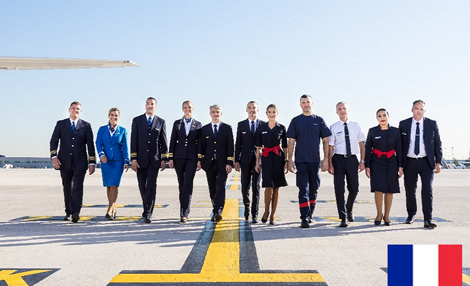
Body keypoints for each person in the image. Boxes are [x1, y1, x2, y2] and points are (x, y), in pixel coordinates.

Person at [286, 94, 331, 228]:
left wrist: (326, 160)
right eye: (303, 102)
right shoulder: (296, 121)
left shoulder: (319, 120)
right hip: (301, 161)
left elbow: (326, 140)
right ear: (300, 105)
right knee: (303, 188)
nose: (306, 104)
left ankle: (310, 212)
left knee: (314, 189)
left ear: (312, 103)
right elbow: (291, 141)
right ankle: (304, 217)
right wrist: (289, 159)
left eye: (308, 102)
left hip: (315, 161)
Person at [50, 101, 96, 223]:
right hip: (64, 161)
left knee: (77, 186)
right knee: (67, 186)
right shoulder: (61, 124)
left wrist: (92, 162)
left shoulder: (86, 126)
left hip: (80, 161)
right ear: (69, 110)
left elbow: (90, 145)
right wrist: (54, 157)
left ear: (80, 112)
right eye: (73, 108)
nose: (75, 110)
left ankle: (76, 211)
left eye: (78, 109)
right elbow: (53, 141)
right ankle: (68, 212)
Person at [399, 100, 442, 229]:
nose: (419, 111)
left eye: (421, 109)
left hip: (426, 162)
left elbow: (437, 143)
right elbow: (400, 146)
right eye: (416, 108)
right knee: (410, 190)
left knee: (427, 190)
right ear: (412, 109)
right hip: (410, 161)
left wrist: (438, 162)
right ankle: (411, 214)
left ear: (424, 111)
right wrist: (400, 165)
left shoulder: (432, 124)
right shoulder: (404, 124)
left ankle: (427, 218)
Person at [130, 97, 168, 223]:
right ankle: (146, 207)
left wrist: (164, 158)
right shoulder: (137, 120)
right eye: (147, 104)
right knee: (142, 186)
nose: (150, 106)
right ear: (145, 106)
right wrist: (133, 158)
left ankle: (148, 212)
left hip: (154, 160)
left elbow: (163, 141)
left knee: (151, 185)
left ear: (155, 107)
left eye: (152, 104)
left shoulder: (161, 122)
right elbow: (133, 140)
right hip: (140, 160)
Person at [328, 102, 366, 227]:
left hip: (352, 160)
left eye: (344, 108)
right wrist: (329, 163)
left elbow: (361, 144)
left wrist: (362, 161)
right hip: (338, 159)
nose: (342, 111)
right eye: (339, 109)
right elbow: (331, 147)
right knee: (339, 189)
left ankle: (349, 208)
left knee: (354, 188)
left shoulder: (355, 126)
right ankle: (343, 217)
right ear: (336, 112)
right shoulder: (333, 127)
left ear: (348, 110)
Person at [364, 108, 403, 226]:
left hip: (391, 162)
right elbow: (368, 149)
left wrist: (400, 166)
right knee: (378, 188)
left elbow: (400, 149)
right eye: (379, 116)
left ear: (388, 116)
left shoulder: (396, 131)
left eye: (384, 115)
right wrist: (367, 165)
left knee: (390, 189)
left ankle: (387, 216)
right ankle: (379, 214)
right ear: (377, 118)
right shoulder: (372, 131)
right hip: (376, 162)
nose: (382, 118)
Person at [168, 100, 203, 223]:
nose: (188, 109)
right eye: (185, 107)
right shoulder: (177, 123)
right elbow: (172, 141)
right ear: (182, 109)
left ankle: (184, 213)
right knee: (181, 184)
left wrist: (199, 159)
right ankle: (183, 209)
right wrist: (170, 157)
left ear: (193, 109)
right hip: (179, 158)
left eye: (190, 107)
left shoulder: (198, 125)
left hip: (192, 159)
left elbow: (200, 144)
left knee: (188, 184)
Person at [200, 105, 234, 222]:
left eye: (217, 112)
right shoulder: (204, 129)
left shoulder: (227, 128)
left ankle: (218, 211)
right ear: (210, 114)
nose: (215, 114)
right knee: (212, 188)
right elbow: (201, 146)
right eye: (213, 112)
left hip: (222, 164)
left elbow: (230, 147)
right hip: (209, 164)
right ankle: (215, 208)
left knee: (221, 187)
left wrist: (229, 162)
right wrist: (201, 161)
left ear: (221, 113)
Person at [254, 104, 287, 225]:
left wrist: (286, 161)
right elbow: (258, 147)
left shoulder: (281, 128)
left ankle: (273, 214)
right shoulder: (261, 127)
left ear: (277, 113)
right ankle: (266, 210)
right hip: (266, 158)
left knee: (276, 187)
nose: (272, 114)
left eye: (274, 112)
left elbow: (285, 146)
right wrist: (257, 162)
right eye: (269, 112)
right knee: (268, 186)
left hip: (278, 157)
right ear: (266, 114)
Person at [95, 107, 129, 220]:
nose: (114, 117)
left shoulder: (122, 130)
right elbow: (98, 143)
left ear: (119, 118)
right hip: (106, 161)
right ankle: (113, 209)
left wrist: (126, 160)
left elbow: (125, 146)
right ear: (108, 116)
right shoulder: (102, 129)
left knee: (114, 184)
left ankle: (109, 210)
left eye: (116, 116)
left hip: (118, 161)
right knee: (109, 185)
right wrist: (101, 154)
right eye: (112, 115)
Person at [235, 101, 266, 223]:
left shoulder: (263, 125)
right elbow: (238, 143)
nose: (252, 110)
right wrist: (236, 160)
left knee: (256, 187)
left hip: (258, 161)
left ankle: (255, 213)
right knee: (245, 187)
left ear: (258, 110)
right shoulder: (241, 125)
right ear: (246, 110)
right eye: (249, 108)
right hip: (245, 160)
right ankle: (247, 207)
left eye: (254, 108)